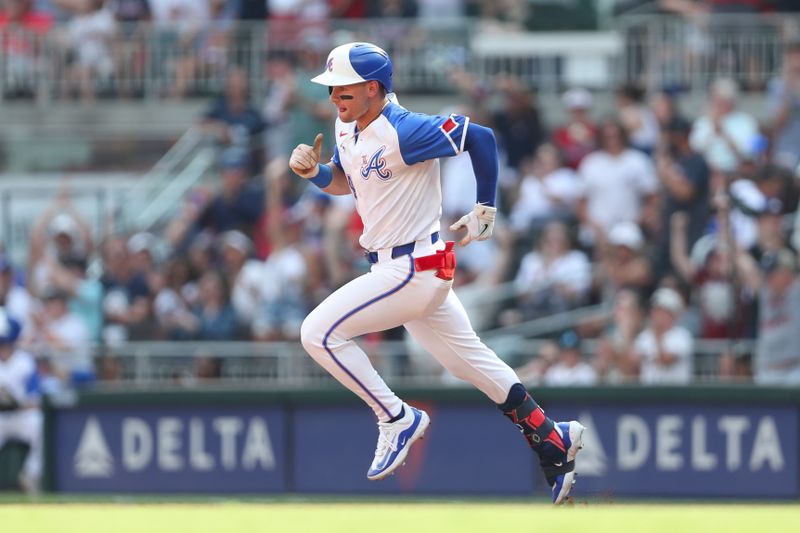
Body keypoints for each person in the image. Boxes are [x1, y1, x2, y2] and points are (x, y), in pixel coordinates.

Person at [288, 42, 585, 504]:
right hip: (405, 269)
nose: (333, 97)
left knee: (318, 333)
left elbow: (480, 137)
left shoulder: (403, 128)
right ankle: (551, 437)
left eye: (342, 89)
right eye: (330, 89)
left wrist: (486, 206)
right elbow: (350, 181)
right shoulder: (347, 126)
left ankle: (395, 417)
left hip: (411, 267)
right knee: (465, 362)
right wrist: (315, 174)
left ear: (372, 88)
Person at [0, 308, 42, 493]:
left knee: (40, 424)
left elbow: (35, 396)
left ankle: (31, 476)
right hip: (1, 417)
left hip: (21, 415)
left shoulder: (25, 361)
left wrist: (17, 402)